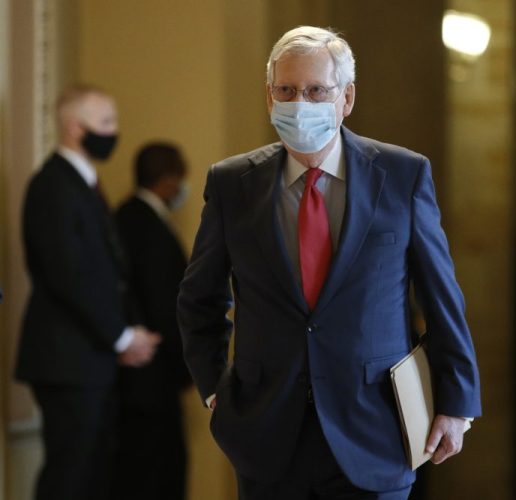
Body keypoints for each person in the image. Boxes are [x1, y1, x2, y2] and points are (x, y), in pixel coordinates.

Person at [177, 26, 481, 500]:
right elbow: (200, 299)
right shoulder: (234, 183)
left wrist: (456, 404)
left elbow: (442, 298)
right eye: (287, 90)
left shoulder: (402, 175)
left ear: (347, 98)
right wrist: (217, 389)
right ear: (269, 96)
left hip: (376, 429)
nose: (300, 102)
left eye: (317, 90)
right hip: (266, 430)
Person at [15, 84, 161, 500]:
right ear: (76, 128)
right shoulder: (53, 186)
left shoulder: (82, 183)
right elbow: (68, 276)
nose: (115, 131)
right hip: (67, 361)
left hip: (88, 359)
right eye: (106, 123)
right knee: (71, 477)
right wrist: (122, 336)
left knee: (94, 475)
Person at [112, 142, 192, 500]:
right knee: (157, 476)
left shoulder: (121, 216)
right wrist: (187, 368)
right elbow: (166, 305)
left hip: (129, 380)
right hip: (152, 378)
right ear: (169, 180)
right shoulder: (152, 230)